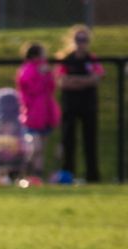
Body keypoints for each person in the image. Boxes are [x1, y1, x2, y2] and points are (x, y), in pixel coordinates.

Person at [56, 24, 104, 182]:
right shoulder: (66, 59)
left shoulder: (92, 59)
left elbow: (97, 78)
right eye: (78, 39)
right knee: (68, 140)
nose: (81, 43)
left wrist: (74, 80)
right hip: (70, 105)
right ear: (73, 40)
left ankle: (92, 176)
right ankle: (67, 175)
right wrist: (85, 81)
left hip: (89, 105)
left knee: (90, 140)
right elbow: (62, 81)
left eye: (84, 39)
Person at [15, 42, 60, 179]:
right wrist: (40, 75)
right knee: (35, 148)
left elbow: (51, 88)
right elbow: (31, 90)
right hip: (32, 115)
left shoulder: (45, 69)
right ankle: (23, 172)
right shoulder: (27, 70)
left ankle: (37, 176)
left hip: (46, 114)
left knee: (42, 149)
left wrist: (47, 74)